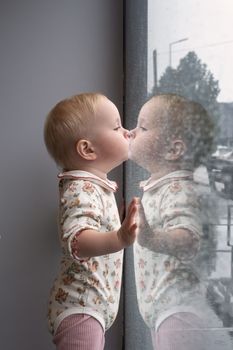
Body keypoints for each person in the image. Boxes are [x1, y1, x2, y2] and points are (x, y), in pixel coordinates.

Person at [130, 93, 232, 350]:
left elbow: (189, 239)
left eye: (142, 127)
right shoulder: (163, 187)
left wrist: (151, 238)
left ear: (173, 149)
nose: (131, 132)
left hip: (179, 311)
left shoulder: (178, 189)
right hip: (164, 308)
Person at [44, 92, 138, 350]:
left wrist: (116, 224)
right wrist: (118, 238)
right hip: (81, 307)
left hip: (88, 307)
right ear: (87, 149)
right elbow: (77, 240)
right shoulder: (81, 188)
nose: (127, 132)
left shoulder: (92, 186)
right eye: (117, 126)